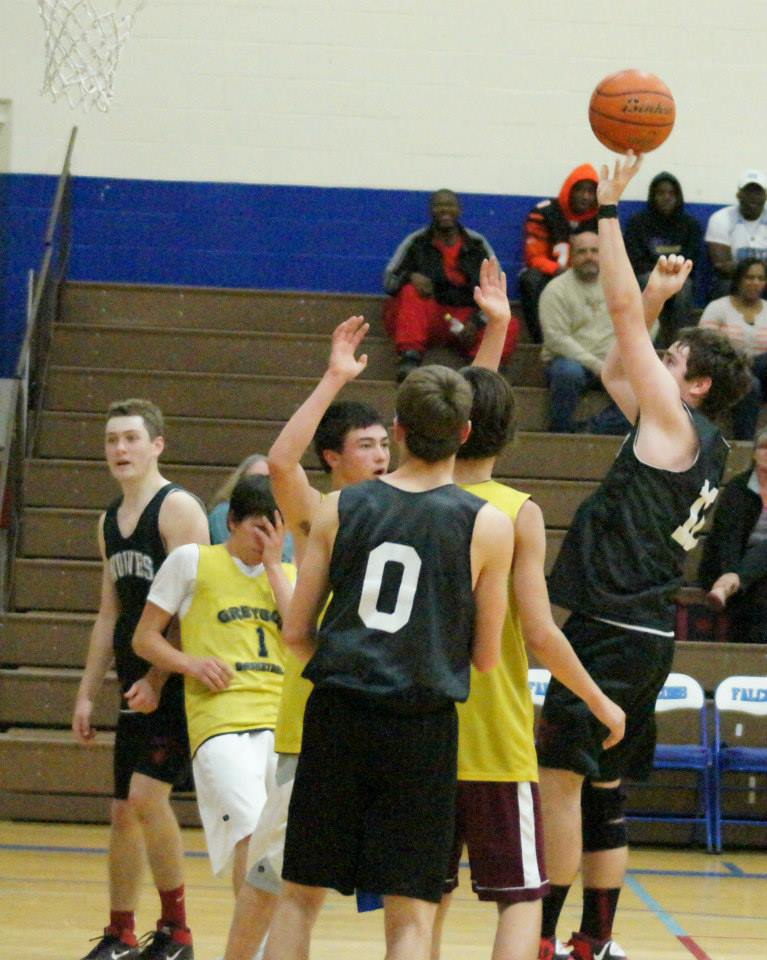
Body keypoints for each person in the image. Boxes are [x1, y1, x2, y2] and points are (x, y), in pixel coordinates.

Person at [221, 262, 515, 960]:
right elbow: (485, 658)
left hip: (338, 716)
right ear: (466, 432)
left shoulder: (339, 507)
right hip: (422, 726)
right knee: (410, 916)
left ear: (398, 430)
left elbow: (297, 632)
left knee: (299, 897)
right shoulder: (487, 525)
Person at [536, 154, 751, 960]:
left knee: (558, 788)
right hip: (642, 632)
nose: (656, 365)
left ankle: (541, 937)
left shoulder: (673, 426)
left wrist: (608, 210)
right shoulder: (698, 440)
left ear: (691, 388)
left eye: (670, 363)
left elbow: (620, 322)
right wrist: (660, 303)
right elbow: (609, 365)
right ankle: (593, 941)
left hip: (611, 629)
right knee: (601, 792)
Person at [430, 364, 625, 960]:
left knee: (421, 900)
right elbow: (539, 631)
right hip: (491, 730)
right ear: (509, 432)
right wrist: (599, 699)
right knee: (520, 899)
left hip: (416, 725)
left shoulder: (407, 499)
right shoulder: (517, 512)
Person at [71, 398, 211, 960]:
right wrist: (86, 692)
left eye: (130, 438)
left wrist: (157, 676)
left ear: (157, 445)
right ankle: (121, 933)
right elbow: (109, 614)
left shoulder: (178, 509)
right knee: (123, 811)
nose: (120, 449)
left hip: (178, 677)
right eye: (112, 440)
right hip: (135, 682)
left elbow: (196, 610)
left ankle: (177, 931)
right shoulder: (108, 521)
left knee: (147, 797)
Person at [132, 474, 295, 898]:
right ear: (232, 522)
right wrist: (190, 663)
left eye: (276, 530)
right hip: (220, 722)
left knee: (277, 850)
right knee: (250, 832)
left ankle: (256, 934)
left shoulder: (289, 576)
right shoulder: (191, 561)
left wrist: (274, 567)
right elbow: (144, 638)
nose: (267, 540)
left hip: (282, 726)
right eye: (258, 528)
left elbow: (300, 637)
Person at [383, 189, 519, 381]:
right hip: (433, 318)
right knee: (410, 292)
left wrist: (477, 322)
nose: (444, 210)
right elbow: (389, 282)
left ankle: (483, 374)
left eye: (450, 205)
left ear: (459, 210)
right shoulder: (416, 242)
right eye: (438, 205)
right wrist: (410, 276)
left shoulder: (477, 243)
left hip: (467, 320)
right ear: (430, 210)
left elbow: (496, 292)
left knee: (508, 321)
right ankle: (409, 361)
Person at [539, 229, 629, 435]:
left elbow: (648, 323)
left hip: (612, 363)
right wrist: (598, 365)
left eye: (595, 251)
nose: (589, 256)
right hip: (570, 362)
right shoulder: (555, 290)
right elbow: (556, 339)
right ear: (572, 256)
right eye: (582, 251)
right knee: (568, 372)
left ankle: (591, 429)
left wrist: (622, 357)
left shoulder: (620, 285)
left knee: (645, 380)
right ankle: (560, 432)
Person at [698, 427, 767, 643]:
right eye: (763, 447)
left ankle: (730, 584)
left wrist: (737, 579)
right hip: (730, 563)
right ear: (754, 453)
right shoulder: (738, 488)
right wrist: (729, 572)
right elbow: (727, 538)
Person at [518, 165, 599, 343]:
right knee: (530, 279)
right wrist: (560, 271)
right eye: (580, 190)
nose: (586, 196)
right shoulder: (544, 212)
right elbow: (534, 257)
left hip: (588, 275)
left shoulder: (601, 218)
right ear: (569, 189)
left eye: (591, 192)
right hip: (552, 275)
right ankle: (541, 341)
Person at [624, 171, 702, 348]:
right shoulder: (637, 223)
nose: (666, 197)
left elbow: (691, 259)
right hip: (648, 275)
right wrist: (660, 275)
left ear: (678, 197)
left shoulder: (690, 225)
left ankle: (679, 343)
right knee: (649, 282)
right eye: (661, 193)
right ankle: (648, 343)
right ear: (653, 196)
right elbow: (635, 260)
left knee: (684, 287)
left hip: (678, 276)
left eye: (671, 193)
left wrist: (672, 274)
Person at [699, 257, 767, 440]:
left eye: (761, 278)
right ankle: (745, 444)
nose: (756, 283)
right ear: (738, 280)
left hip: (762, 372)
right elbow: (703, 346)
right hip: (725, 372)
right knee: (750, 383)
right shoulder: (718, 308)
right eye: (750, 277)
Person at [208, 453, 294, 560]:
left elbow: (288, 559)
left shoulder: (284, 517)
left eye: (268, 480)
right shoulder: (223, 511)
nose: (262, 485)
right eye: (256, 479)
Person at [705, 169, 767, 299]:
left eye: (758, 192)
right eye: (748, 192)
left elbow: (730, 264)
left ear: (765, 196)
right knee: (724, 285)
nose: (753, 197)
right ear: (739, 195)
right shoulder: (721, 218)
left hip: (763, 278)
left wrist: (755, 276)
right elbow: (721, 265)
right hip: (734, 279)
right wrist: (753, 275)